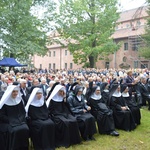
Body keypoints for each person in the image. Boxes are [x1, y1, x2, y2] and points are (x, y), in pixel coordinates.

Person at [0, 85, 29, 150]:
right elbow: (2, 116)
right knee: (15, 130)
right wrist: (12, 120)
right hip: (7, 122)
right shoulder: (4, 102)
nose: (15, 93)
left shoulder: (19, 100)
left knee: (25, 128)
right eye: (13, 92)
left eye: (16, 91)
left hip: (19, 121)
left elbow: (23, 112)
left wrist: (20, 120)